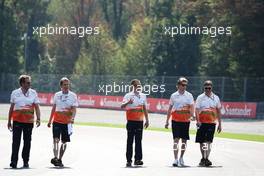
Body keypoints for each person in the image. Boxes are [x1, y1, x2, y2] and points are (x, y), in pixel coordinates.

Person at [7, 75, 41, 168]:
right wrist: (9, 121)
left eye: (30, 82)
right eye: (28, 82)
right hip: (17, 121)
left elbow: (37, 107)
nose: (30, 84)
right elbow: (11, 108)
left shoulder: (33, 93)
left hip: (29, 122)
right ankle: (14, 161)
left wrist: (38, 118)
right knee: (15, 142)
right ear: (22, 83)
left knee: (27, 142)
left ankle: (25, 161)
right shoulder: (15, 93)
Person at [47, 77, 78, 167]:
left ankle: (60, 159)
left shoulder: (73, 95)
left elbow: (74, 109)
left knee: (64, 142)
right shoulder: (57, 95)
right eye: (64, 84)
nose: (66, 86)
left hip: (67, 123)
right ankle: (55, 157)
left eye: (68, 84)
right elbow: (53, 108)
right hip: (57, 121)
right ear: (61, 85)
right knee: (55, 140)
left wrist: (72, 118)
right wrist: (50, 120)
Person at [165, 77, 194, 167]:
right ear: (178, 85)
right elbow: (170, 109)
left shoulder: (189, 95)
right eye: (182, 85)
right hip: (175, 121)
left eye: (185, 85)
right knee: (176, 140)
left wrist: (192, 115)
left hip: (185, 121)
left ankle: (181, 157)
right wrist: (167, 121)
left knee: (184, 141)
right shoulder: (173, 95)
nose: (184, 86)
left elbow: (192, 106)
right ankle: (175, 159)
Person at [121, 79, 149, 167]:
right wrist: (128, 102)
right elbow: (122, 106)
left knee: (138, 141)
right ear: (133, 86)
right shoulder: (128, 95)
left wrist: (147, 120)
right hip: (131, 121)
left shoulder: (143, 96)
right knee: (130, 141)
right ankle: (129, 160)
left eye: (139, 85)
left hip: (140, 121)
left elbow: (144, 108)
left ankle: (138, 159)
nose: (139, 87)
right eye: (137, 85)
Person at [195, 80, 222, 167]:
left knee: (208, 142)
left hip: (211, 123)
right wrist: (197, 121)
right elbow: (196, 109)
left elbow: (218, 111)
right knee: (202, 142)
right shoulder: (200, 97)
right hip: (202, 123)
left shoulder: (216, 98)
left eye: (209, 88)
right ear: (204, 88)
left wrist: (220, 124)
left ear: (211, 88)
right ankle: (203, 157)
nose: (207, 90)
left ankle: (206, 158)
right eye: (206, 88)